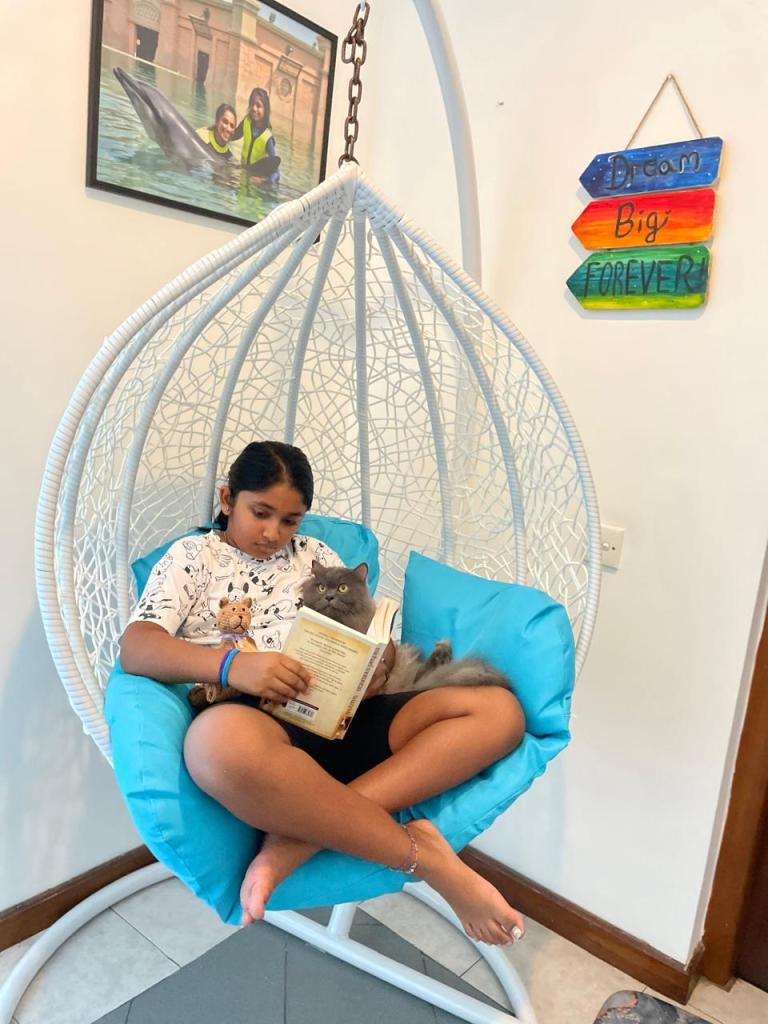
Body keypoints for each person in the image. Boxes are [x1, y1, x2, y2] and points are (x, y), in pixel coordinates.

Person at [120, 441, 527, 945]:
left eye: (290, 520)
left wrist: (378, 666)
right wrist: (234, 667)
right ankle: (419, 855)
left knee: (498, 712)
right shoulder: (194, 557)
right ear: (227, 498)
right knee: (213, 748)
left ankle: (298, 841)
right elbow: (137, 648)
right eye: (260, 513)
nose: (273, 533)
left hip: (349, 711)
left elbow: (366, 631)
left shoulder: (314, 555)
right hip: (261, 720)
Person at [231, 87, 280, 184]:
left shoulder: (267, 137)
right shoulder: (246, 122)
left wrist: (265, 181)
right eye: (252, 104)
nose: (254, 108)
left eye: (258, 106)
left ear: (265, 110)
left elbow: (275, 170)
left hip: (256, 182)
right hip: (244, 175)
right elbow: (232, 136)